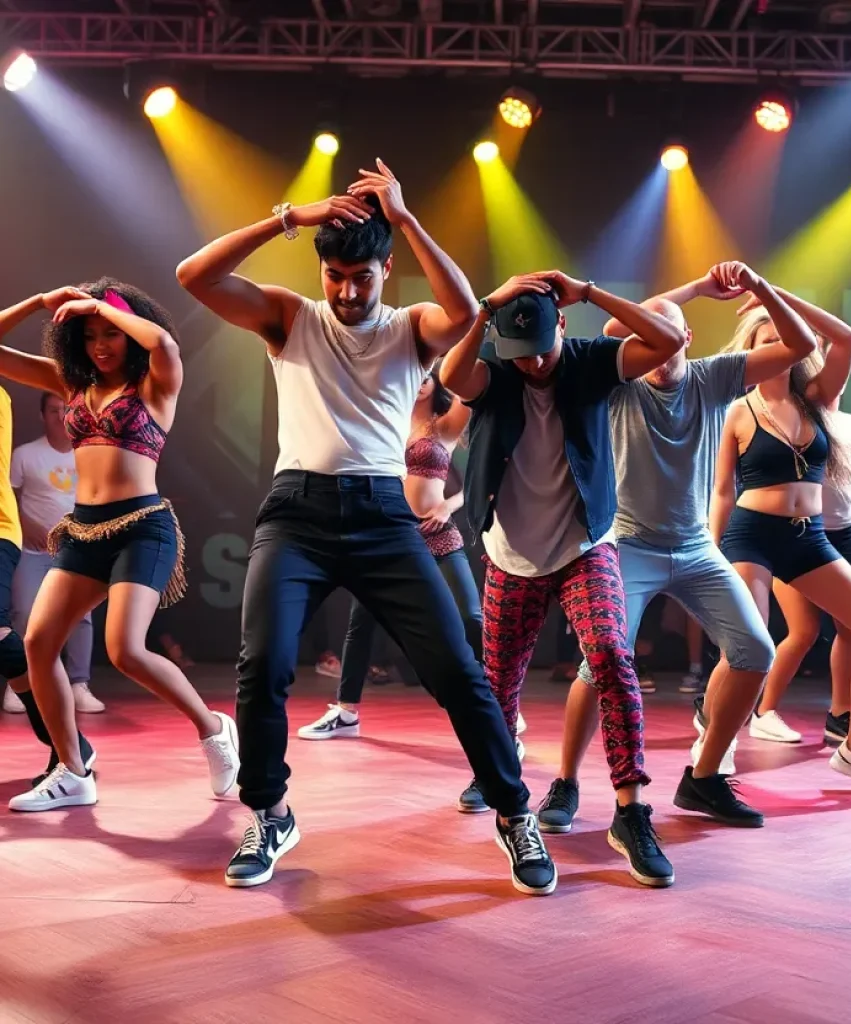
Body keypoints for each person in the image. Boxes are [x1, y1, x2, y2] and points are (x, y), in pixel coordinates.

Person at [176, 163, 557, 896]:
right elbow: (195, 275)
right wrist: (292, 217)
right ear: (322, 271)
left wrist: (408, 220)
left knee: (457, 673)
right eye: (337, 276)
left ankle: (514, 813)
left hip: (386, 516)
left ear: (388, 271)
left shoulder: (411, 329)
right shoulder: (291, 317)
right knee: (263, 668)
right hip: (296, 513)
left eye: (363, 276)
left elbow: (461, 307)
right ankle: (271, 813)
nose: (348, 291)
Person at [535, 262, 818, 836]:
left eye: (669, 341)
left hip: (693, 548)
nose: (657, 353)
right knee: (601, 664)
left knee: (754, 651)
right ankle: (565, 781)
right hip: (627, 546)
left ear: (688, 340)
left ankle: (704, 777)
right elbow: (617, 334)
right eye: (646, 342)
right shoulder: (617, 383)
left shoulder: (715, 378)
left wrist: (759, 287)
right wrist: (671, 292)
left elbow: (801, 343)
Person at [441, 268, 691, 889]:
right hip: (510, 553)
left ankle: (631, 812)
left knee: (611, 654)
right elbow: (451, 377)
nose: (533, 366)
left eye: (543, 348)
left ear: (562, 325)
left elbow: (666, 343)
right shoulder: (497, 372)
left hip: (586, 544)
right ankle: (499, 775)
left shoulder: (588, 360)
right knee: (496, 686)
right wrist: (484, 308)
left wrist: (589, 293)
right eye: (519, 354)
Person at [0, 281, 239, 812]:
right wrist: (38, 303)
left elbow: (165, 345)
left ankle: (213, 728)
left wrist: (99, 304)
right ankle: (72, 770)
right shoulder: (68, 383)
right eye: (89, 335)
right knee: (38, 642)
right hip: (83, 530)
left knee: (126, 650)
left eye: (111, 331)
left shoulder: (156, 382)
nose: (102, 344)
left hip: (141, 526)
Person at [712, 288, 851, 795]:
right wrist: (711, 553)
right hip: (751, 536)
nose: (779, 342)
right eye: (767, 336)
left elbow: (848, 337)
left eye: (785, 334)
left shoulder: (816, 398)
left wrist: (770, 294)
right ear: (750, 348)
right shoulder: (739, 410)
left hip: (809, 538)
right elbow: (722, 492)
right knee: (747, 646)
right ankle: (718, 740)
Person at [297, 365, 491, 741]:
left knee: (469, 614)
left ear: (437, 384)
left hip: (436, 533)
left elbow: (480, 478)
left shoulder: (445, 426)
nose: (418, 382)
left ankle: (501, 703)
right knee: (361, 623)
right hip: (390, 537)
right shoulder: (384, 422)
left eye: (426, 376)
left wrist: (448, 507)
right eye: (413, 375)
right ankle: (346, 712)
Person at [3, 392, 101, 718]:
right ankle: (20, 683)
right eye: (54, 410)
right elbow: (10, 497)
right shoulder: (25, 455)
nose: (61, 416)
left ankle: (79, 685)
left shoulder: (88, 454)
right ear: (43, 415)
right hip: (32, 550)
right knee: (23, 615)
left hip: (75, 551)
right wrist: (26, 524)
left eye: (66, 410)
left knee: (81, 617)